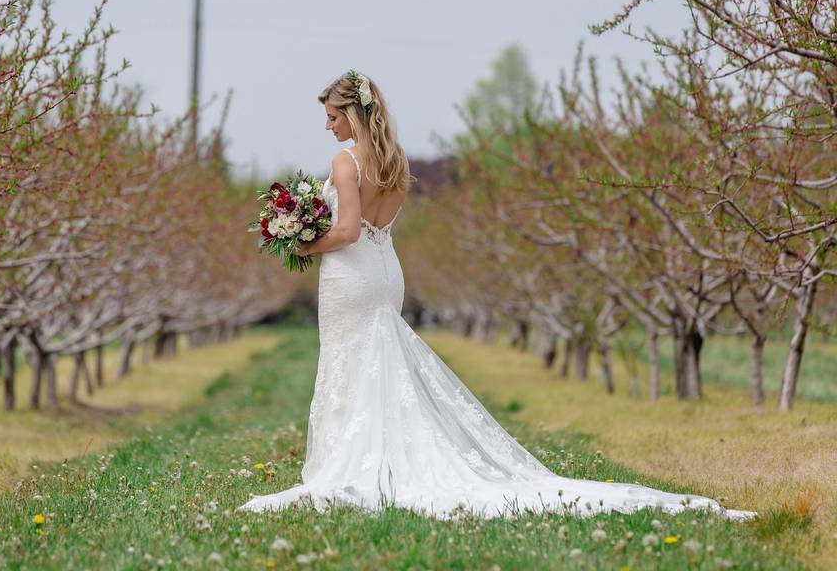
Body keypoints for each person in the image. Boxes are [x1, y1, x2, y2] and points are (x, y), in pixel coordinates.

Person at [237, 70, 755, 521]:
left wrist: (305, 245)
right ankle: (380, 455)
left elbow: (348, 231)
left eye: (333, 115)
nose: (328, 126)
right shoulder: (395, 163)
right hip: (386, 270)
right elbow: (376, 226)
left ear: (352, 113)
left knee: (354, 362)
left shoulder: (346, 162)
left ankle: (353, 464)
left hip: (352, 272)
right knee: (380, 361)